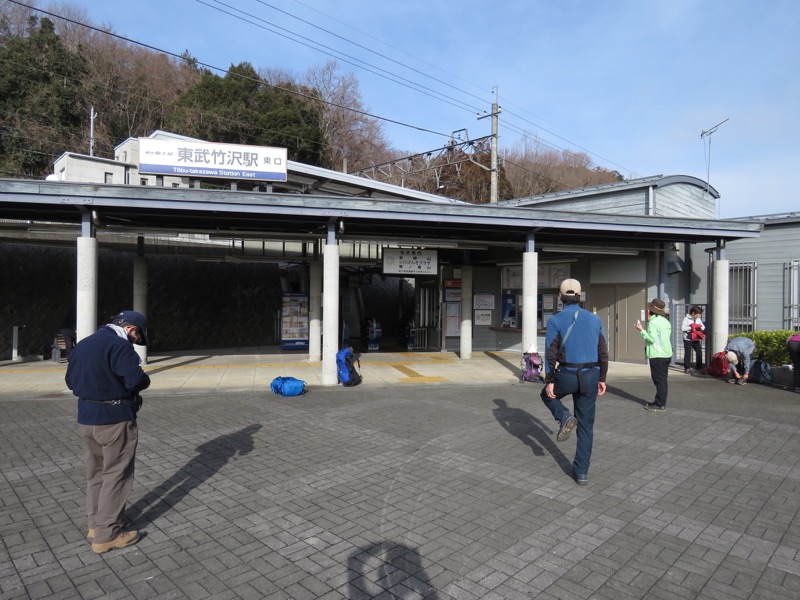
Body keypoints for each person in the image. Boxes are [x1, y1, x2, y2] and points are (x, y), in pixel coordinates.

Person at [65, 310, 151, 554]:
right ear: (132, 330)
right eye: (136, 337)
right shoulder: (120, 347)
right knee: (116, 474)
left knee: (96, 473)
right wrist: (144, 380)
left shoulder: (84, 344)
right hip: (114, 418)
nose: (134, 341)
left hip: (86, 417)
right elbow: (135, 381)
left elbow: (70, 381)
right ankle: (108, 534)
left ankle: (95, 524)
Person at [540, 278, 608, 486]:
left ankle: (563, 415)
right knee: (586, 425)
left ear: (560, 297)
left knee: (546, 395)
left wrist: (550, 380)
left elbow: (550, 354)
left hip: (567, 374)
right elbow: (603, 352)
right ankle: (581, 473)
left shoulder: (555, 320)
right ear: (580, 297)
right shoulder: (595, 319)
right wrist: (602, 378)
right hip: (590, 375)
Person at [635, 298, 673, 411]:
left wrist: (641, 330)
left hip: (657, 354)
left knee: (658, 380)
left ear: (650, 311)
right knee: (663, 380)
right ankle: (660, 401)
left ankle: (660, 403)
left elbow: (651, 339)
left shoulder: (653, 322)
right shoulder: (665, 321)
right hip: (667, 353)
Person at [680, 305, 705, 373]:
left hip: (696, 339)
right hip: (687, 339)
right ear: (693, 313)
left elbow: (703, 327)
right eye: (698, 314)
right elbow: (682, 328)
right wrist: (691, 327)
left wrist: (698, 327)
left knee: (699, 352)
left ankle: (699, 367)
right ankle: (687, 368)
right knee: (688, 353)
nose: (699, 316)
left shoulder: (698, 319)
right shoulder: (686, 319)